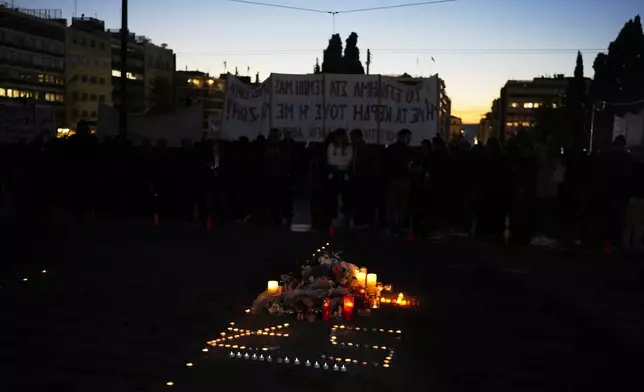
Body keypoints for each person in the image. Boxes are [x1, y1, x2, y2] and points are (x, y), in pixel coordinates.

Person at [386, 129, 413, 235]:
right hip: (403, 179)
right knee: (402, 205)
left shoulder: (391, 149)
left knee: (392, 205)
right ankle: (399, 226)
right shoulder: (407, 150)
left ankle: (392, 226)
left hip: (393, 179)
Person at [326, 129, 353, 227]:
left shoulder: (349, 147)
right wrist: (340, 155)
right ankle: (333, 217)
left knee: (346, 197)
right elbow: (331, 160)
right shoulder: (331, 146)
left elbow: (348, 161)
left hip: (345, 174)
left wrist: (340, 155)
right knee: (333, 197)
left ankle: (346, 217)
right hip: (335, 173)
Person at [350, 129, 374, 227]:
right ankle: (359, 219)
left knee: (362, 199)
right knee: (358, 199)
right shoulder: (353, 148)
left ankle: (363, 219)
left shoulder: (364, 149)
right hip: (357, 176)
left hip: (363, 177)